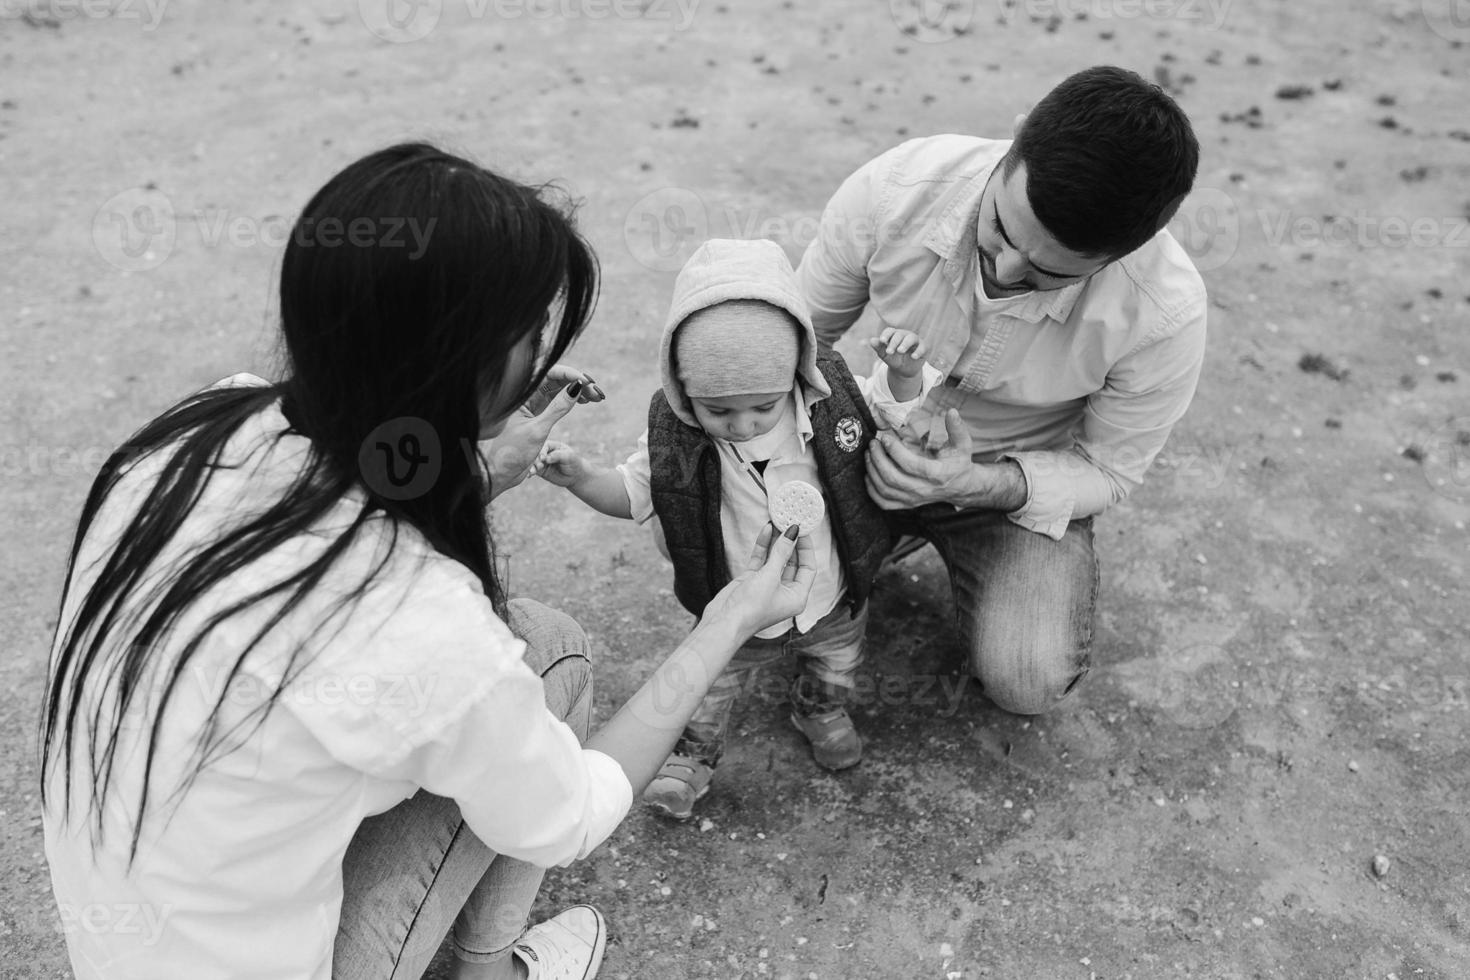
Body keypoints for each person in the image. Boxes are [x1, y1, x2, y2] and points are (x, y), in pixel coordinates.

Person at [39, 144, 817, 980]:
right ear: (471, 370)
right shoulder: (418, 618)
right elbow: (574, 815)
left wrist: (481, 468)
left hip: (125, 939)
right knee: (554, 655)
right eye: (529, 337)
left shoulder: (196, 431)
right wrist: (731, 615)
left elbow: (322, 506)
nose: (539, 357)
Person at [795, 65, 1206, 716]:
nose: (1008, 269)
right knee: (730, 547)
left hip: (1003, 489)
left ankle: (874, 553)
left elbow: (1109, 471)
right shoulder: (895, 187)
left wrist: (968, 484)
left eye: (1048, 271)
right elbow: (799, 339)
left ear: (1125, 252)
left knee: (1028, 680)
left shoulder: (1164, 313)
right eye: (1004, 229)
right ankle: (855, 544)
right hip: (870, 436)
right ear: (1017, 141)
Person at [537, 238, 939, 820]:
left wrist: (903, 378)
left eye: (763, 406)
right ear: (682, 388)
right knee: (707, 685)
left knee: (837, 663)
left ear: (796, 374)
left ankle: (817, 708)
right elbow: (631, 493)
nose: (742, 423)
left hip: (832, 594)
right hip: (731, 608)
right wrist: (580, 477)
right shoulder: (675, 436)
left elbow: (896, 418)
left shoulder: (831, 402)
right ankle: (693, 756)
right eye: (718, 410)